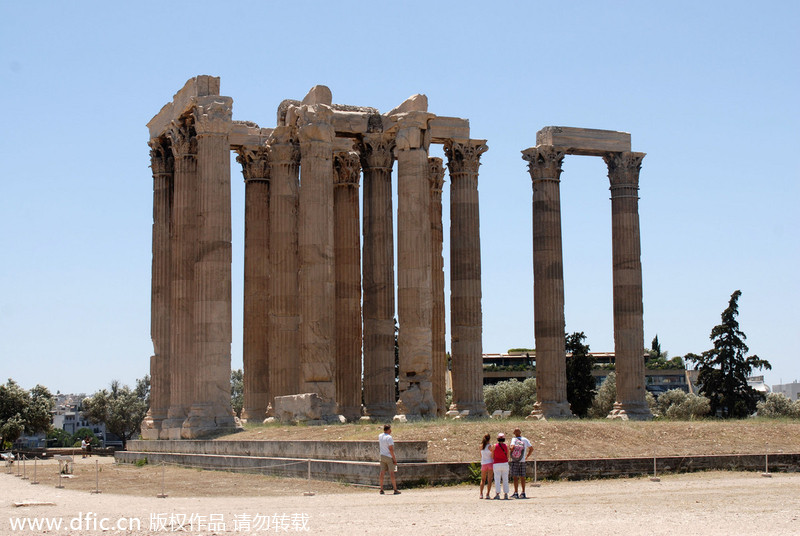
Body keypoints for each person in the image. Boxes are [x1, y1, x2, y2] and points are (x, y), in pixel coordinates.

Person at [509, 428, 533, 499]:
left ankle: (516, 492)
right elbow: (531, 448)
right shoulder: (525, 439)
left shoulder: (514, 439)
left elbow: (512, 447)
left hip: (515, 460)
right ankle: (523, 492)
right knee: (522, 477)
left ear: (514, 433)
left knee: (515, 477)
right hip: (522, 460)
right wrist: (527, 456)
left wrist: (510, 448)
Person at [378, 424, 400, 495]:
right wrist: (394, 459)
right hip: (388, 456)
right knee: (391, 473)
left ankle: (381, 489)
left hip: (382, 456)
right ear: (389, 429)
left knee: (382, 472)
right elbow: (391, 449)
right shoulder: (389, 437)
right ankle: (395, 489)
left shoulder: (380, 436)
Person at [491, 432, 510, 499]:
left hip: (497, 463)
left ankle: (497, 493)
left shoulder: (494, 446)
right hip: (505, 463)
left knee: (497, 479)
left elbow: (492, 456)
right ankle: (506, 494)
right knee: (505, 479)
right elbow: (508, 456)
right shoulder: (506, 446)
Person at [479, 433, 493, 499]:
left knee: (483, 479)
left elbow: (481, 455)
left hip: (483, 463)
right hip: (490, 463)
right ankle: (487, 494)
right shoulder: (490, 446)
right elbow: (492, 455)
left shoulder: (481, 446)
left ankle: (481, 494)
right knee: (489, 479)